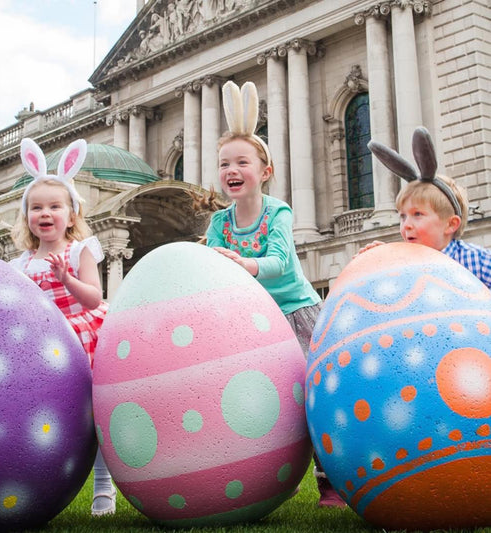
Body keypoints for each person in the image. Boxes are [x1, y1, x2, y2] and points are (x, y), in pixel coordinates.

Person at [202, 80, 346, 508]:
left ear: (264, 171)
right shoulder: (218, 225)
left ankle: (330, 481)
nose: (232, 170)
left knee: (316, 397)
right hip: (249, 323)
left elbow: (281, 260)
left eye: (242, 161)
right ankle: (252, 479)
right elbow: (209, 270)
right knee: (254, 401)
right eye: (225, 162)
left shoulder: (277, 211)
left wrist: (245, 265)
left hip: (296, 312)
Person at [10, 137, 117, 517]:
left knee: (97, 414)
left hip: (84, 337)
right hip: (45, 347)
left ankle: (104, 488)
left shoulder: (80, 250)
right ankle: (42, 483)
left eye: (55, 206)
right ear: (27, 218)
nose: (45, 213)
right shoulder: (21, 264)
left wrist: (65, 278)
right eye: (36, 207)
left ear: (71, 215)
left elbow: (93, 297)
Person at [364, 126, 491, 289]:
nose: (406, 225)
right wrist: (381, 260)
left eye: (417, 214)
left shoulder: (475, 260)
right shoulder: (402, 262)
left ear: (451, 224)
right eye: (402, 216)